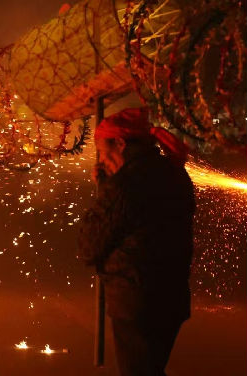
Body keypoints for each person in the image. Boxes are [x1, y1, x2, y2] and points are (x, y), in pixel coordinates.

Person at [78, 107, 195, 376]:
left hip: (136, 301)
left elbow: (89, 246)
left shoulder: (127, 184)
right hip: (171, 298)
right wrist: (111, 183)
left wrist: (108, 188)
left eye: (102, 151)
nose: (101, 160)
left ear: (120, 143)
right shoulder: (174, 173)